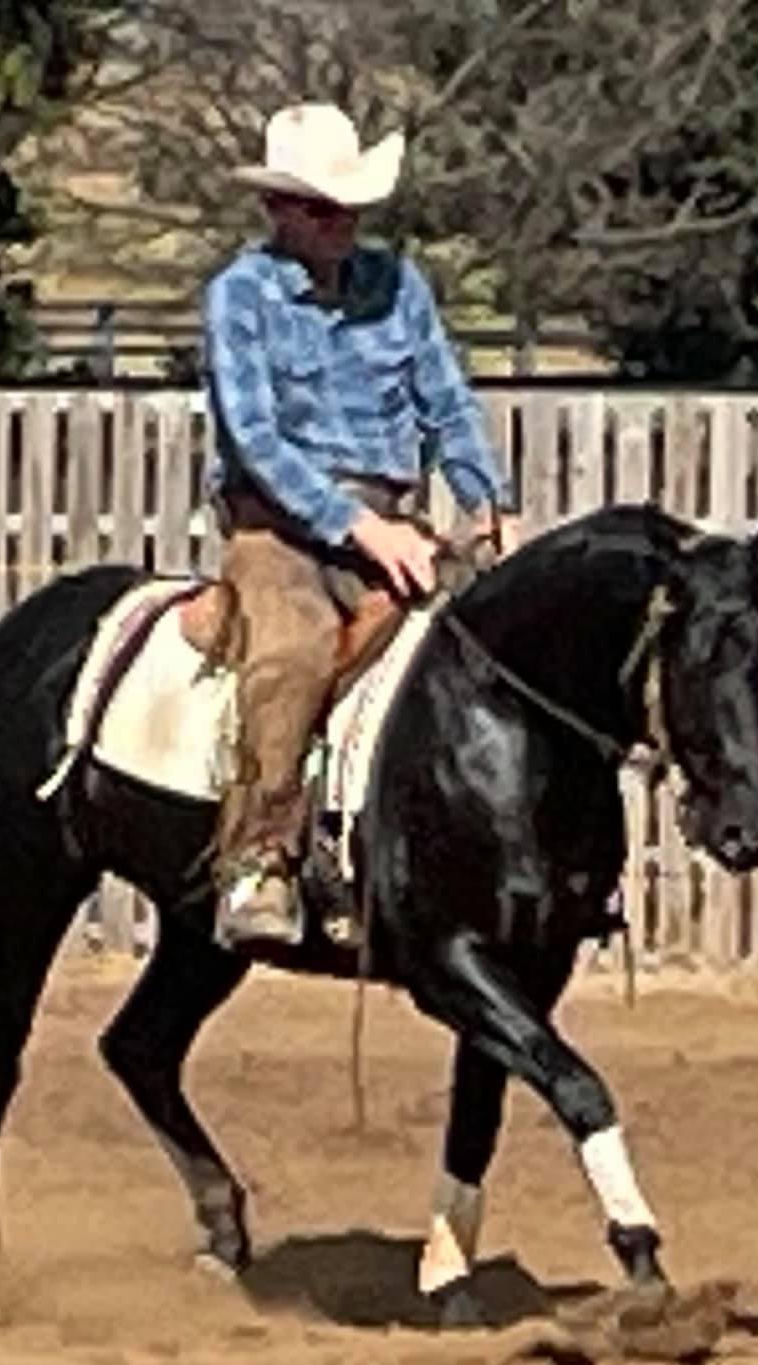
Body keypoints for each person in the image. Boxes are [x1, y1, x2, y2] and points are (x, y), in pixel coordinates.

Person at [202, 100, 517, 948]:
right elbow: (254, 438)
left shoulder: (398, 285)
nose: (343, 222)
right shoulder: (239, 296)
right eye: (323, 206)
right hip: (277, 525)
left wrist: (487, 500)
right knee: (296, 647)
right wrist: (362, 531)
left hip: (394, 516)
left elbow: (446, 400)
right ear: (279, 210)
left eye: (349, 205)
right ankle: (260, 859)